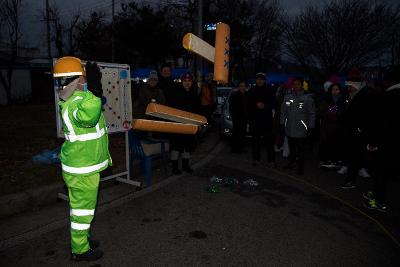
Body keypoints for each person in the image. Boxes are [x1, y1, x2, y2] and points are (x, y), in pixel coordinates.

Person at [53, 57, 111, 262]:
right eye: (83, 78)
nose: (85, 81)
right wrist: (95, 90)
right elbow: (88, 117)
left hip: (82, 166)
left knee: (81, 208)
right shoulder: (75, 103)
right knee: (82, 211)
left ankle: (83, 239)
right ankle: (80, 250)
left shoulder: (71, 97)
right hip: (82, 169)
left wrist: (91, 91)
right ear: (75, 79)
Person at [363, 65, 400, 211]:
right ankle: (378, 194)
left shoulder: (389, 97)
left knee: (380, 171)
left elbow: (381, 122)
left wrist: (373, 142)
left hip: (385, 142)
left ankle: (379, 201)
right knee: (384, 171)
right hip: (394, 142)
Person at [340, 68, 371, 189]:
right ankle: (351, 172)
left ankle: (351, 178)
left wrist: (360, 129)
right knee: (352, 154)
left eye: (350, 86)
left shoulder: (364, 96)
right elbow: (343, 109)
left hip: (358, 131)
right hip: (350, 130)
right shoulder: (349, 96)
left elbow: (366, 115)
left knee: (356, 155)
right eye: (347, 86)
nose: (348, 88)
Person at [280, 77, 316, 175]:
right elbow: (283, 111)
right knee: (292, 148)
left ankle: (300, 167)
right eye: (294, 84)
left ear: (302, 85)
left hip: (301, 129)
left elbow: (312, 114)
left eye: (298, 84)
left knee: (301, 150)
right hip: (290, 127)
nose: (296, 86)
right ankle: (291, 163)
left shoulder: (308, 98)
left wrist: (311, 127)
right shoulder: (288, 97)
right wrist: (282, 123)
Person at [168, 72, 200, 174]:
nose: (187, 83)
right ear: (182, 82)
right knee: (176, 147)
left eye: (189, 81)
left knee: (188, 147)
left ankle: (186, 166)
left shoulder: (194, 93)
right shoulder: (175, 93)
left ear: (192, 82)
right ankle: (175, 168)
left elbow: (198, 110)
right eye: (185, 81)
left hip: (190, 125)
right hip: (178, 125)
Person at [248, 73, 277, 166]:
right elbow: (248, 104)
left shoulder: (270, 90)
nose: (259, 81)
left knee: (269, 142)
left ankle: (271, 160)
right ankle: (256, 159)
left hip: (266, 120)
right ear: (255, 80)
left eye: (261, 79)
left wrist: (265, 105)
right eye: (258, 79)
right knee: (255, 142)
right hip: (255, 120)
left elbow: (274, 103)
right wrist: (255, 104)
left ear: (264, 80)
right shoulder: (252, 90)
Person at [318, 83, 347, 168]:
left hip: (338, 128)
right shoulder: (326, 100)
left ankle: (335, 163)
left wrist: (338, 113)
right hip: (327, 128)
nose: (335, 91)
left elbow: (346, 114)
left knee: (336, 146)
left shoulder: (343, 101)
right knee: (326, 146)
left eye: (337, 89)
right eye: (333, 89)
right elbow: (319, 112)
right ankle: (325, 162)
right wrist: (328, 113)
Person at [228, 80, 249, 153]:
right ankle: (235, 148)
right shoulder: (235, 95)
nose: (242, 87)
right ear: (238, 87)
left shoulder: (247, 95)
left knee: (243, 133)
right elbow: (231, 107)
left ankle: (241, 147)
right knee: (236, 133)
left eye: (244, 86)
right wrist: (234, 116)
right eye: (241, 86)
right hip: (237, 118)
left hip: (244, 118)